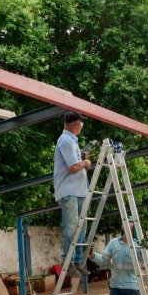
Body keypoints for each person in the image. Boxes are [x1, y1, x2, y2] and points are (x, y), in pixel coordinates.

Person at [53, 111, 92, 278]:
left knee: (81, 226)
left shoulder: (72, 142)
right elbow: (73, 167)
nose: (81, 127)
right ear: (75, 124)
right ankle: (67, 262)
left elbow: (75, 164)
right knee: (71, 227)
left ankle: (76, 260)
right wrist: (85, 162)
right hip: (69, 191)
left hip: (78, 190)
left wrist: (82, 158)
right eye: (81, 124)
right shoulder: (66, 141)